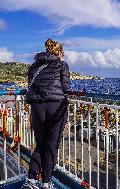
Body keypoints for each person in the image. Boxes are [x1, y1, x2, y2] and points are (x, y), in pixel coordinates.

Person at [22, 39, 70, 189]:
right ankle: (46, 183)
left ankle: (31, 180)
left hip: (37, 107)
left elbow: (32, 85)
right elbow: (65, 86)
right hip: (56, 106)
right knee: (51, 146)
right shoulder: (61, 65)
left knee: (40, 144)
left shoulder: (34, 66)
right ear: (59, 52)